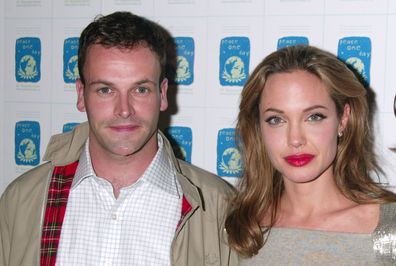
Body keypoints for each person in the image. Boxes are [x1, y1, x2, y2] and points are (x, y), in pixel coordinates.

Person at [0, 11, 238, 266]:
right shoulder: (21, 200)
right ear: (81, 95)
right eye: (105, 89)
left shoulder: (219, 209)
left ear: (163, 94)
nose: (124, 109)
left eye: (140, 89)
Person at [225, 45, 396, 265]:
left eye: (314, 117)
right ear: (258, 127)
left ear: (343, 119)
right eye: (276, 119)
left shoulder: (389, 229)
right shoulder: (240, 228)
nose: (295, 139)